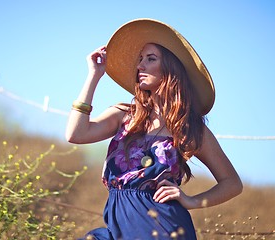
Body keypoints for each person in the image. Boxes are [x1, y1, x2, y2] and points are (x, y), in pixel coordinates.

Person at [66, 18, 243, 240]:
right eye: (140, 59)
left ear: (171, 68)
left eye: (150, 59)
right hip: (116, 225)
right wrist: (93, 76)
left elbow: (232, 183)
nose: (140, 66)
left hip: (164, 228)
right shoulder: (125, 115)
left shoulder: (189, 128)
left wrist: (192, 201)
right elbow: (76, 134)